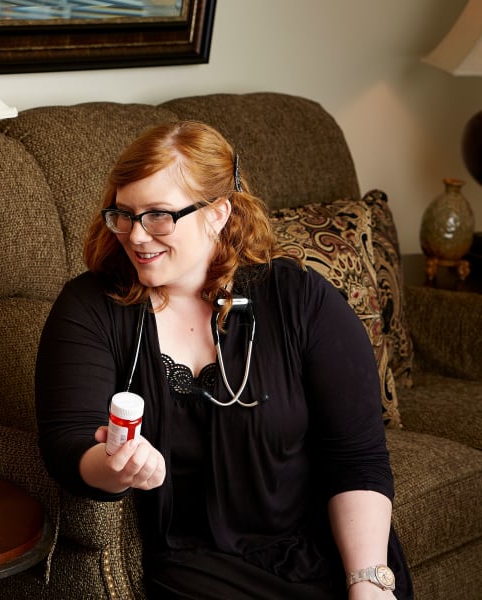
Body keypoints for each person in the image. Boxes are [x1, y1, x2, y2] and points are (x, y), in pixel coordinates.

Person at [34, 121, 413, 599]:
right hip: (200, 567)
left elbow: (357, 458)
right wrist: (113, 469)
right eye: (124, 214)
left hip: (329, 551)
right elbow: (66, 441)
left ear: (218, 213)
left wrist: (367, 582)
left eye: (158, 216)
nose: (135, 236)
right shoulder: (91, 307)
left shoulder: (300, 300)